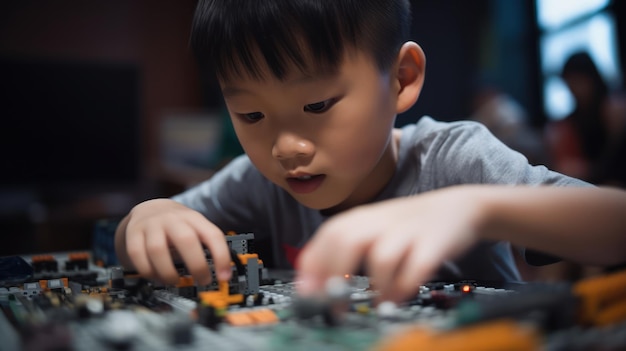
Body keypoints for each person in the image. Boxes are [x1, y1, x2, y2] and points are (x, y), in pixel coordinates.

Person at [115, 0, 626, 303]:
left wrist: (476, 206)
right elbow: (157, 225)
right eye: (251, 115)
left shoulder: (455, 160)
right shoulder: (257, 181)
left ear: (401, 79)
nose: (285, 147)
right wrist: (146, 213)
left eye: (316, 104)